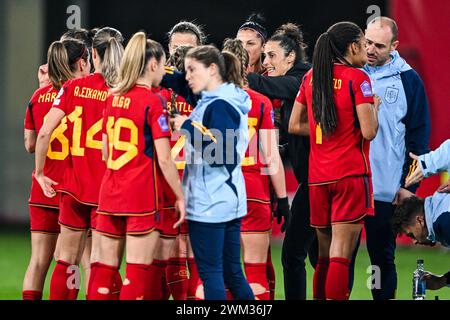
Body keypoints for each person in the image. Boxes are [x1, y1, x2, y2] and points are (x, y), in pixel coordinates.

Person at [88, 32, 185, 300]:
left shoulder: (112, 97)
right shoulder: (154, 101)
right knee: (136, 272)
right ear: (154, 65)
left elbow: (106, 152)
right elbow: (165, 159)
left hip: (110, 193)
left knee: (103, 270)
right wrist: (180, 196)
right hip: (140, 196)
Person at [289, 21, 379, 300]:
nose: (366, 48)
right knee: (342, 255)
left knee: (325, 256)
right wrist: (374, 107)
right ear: (352, 47)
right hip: (350, 175)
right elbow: (369, 131)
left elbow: (294, 124)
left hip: (318, 178)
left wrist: (325, 128)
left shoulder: (312, 77)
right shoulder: (358, 78)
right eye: (364, 43)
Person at [34, 27, 124, 300]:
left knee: (66, 260)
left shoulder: (73, 87)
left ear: (93, 54)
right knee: (101, 262)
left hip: (73, 188)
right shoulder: (122, 91)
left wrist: (39, 172)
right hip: (107, 189)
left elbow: (45, 131)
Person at [170, 45, 254, 300]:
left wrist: (187, 127)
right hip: (226, 198)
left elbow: (223, 156)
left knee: (211, 273)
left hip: (211, 202)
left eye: (193, 70)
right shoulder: (222, 98)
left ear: (213, 69)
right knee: (232, 273)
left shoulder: (219, 105)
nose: (187, 76)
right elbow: (180, 83)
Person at [363, 16, 431, 300]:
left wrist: (408, 187)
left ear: (394, 46)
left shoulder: (409, 80)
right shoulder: (351, 72)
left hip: (385, 191)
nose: (370, 50)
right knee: (335, 256)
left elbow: (418, 140)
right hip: (348, 183)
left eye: (379, 45)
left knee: (381, 261)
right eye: (367, 42)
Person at [245, 22, 313, 300]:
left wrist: (229, 72)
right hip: (313, 180)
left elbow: (264, 84)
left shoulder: (301, 78)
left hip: (318, 182)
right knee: (318, 254)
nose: (266, 62)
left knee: (294, 254)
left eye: (271, 56)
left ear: (291, 57)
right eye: (265, 57)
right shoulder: (293, 81)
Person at [22, 38, 90, 301]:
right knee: (72, 260)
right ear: (82, 62)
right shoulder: (82, 93)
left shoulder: (39, 96)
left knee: (38, 260)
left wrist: (40, 171)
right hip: (73, 189)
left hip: (42, 188)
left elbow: (30, 143)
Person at [222, 38, 289, 300]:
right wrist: (283, 200)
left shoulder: (207, 101)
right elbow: (272, 157)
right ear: (245, 67)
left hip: (217, 193)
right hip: (252, 191)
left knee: (219, 271)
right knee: (255, 270)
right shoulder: (261, 102)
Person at [147, 21, 206, 301]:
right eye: (176, 48)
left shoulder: (204, 91)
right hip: (163, 178)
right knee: (167, 246)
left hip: (196, 179)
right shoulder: (156, 90)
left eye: (188, 48)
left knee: (187, 246)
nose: (181, 53)